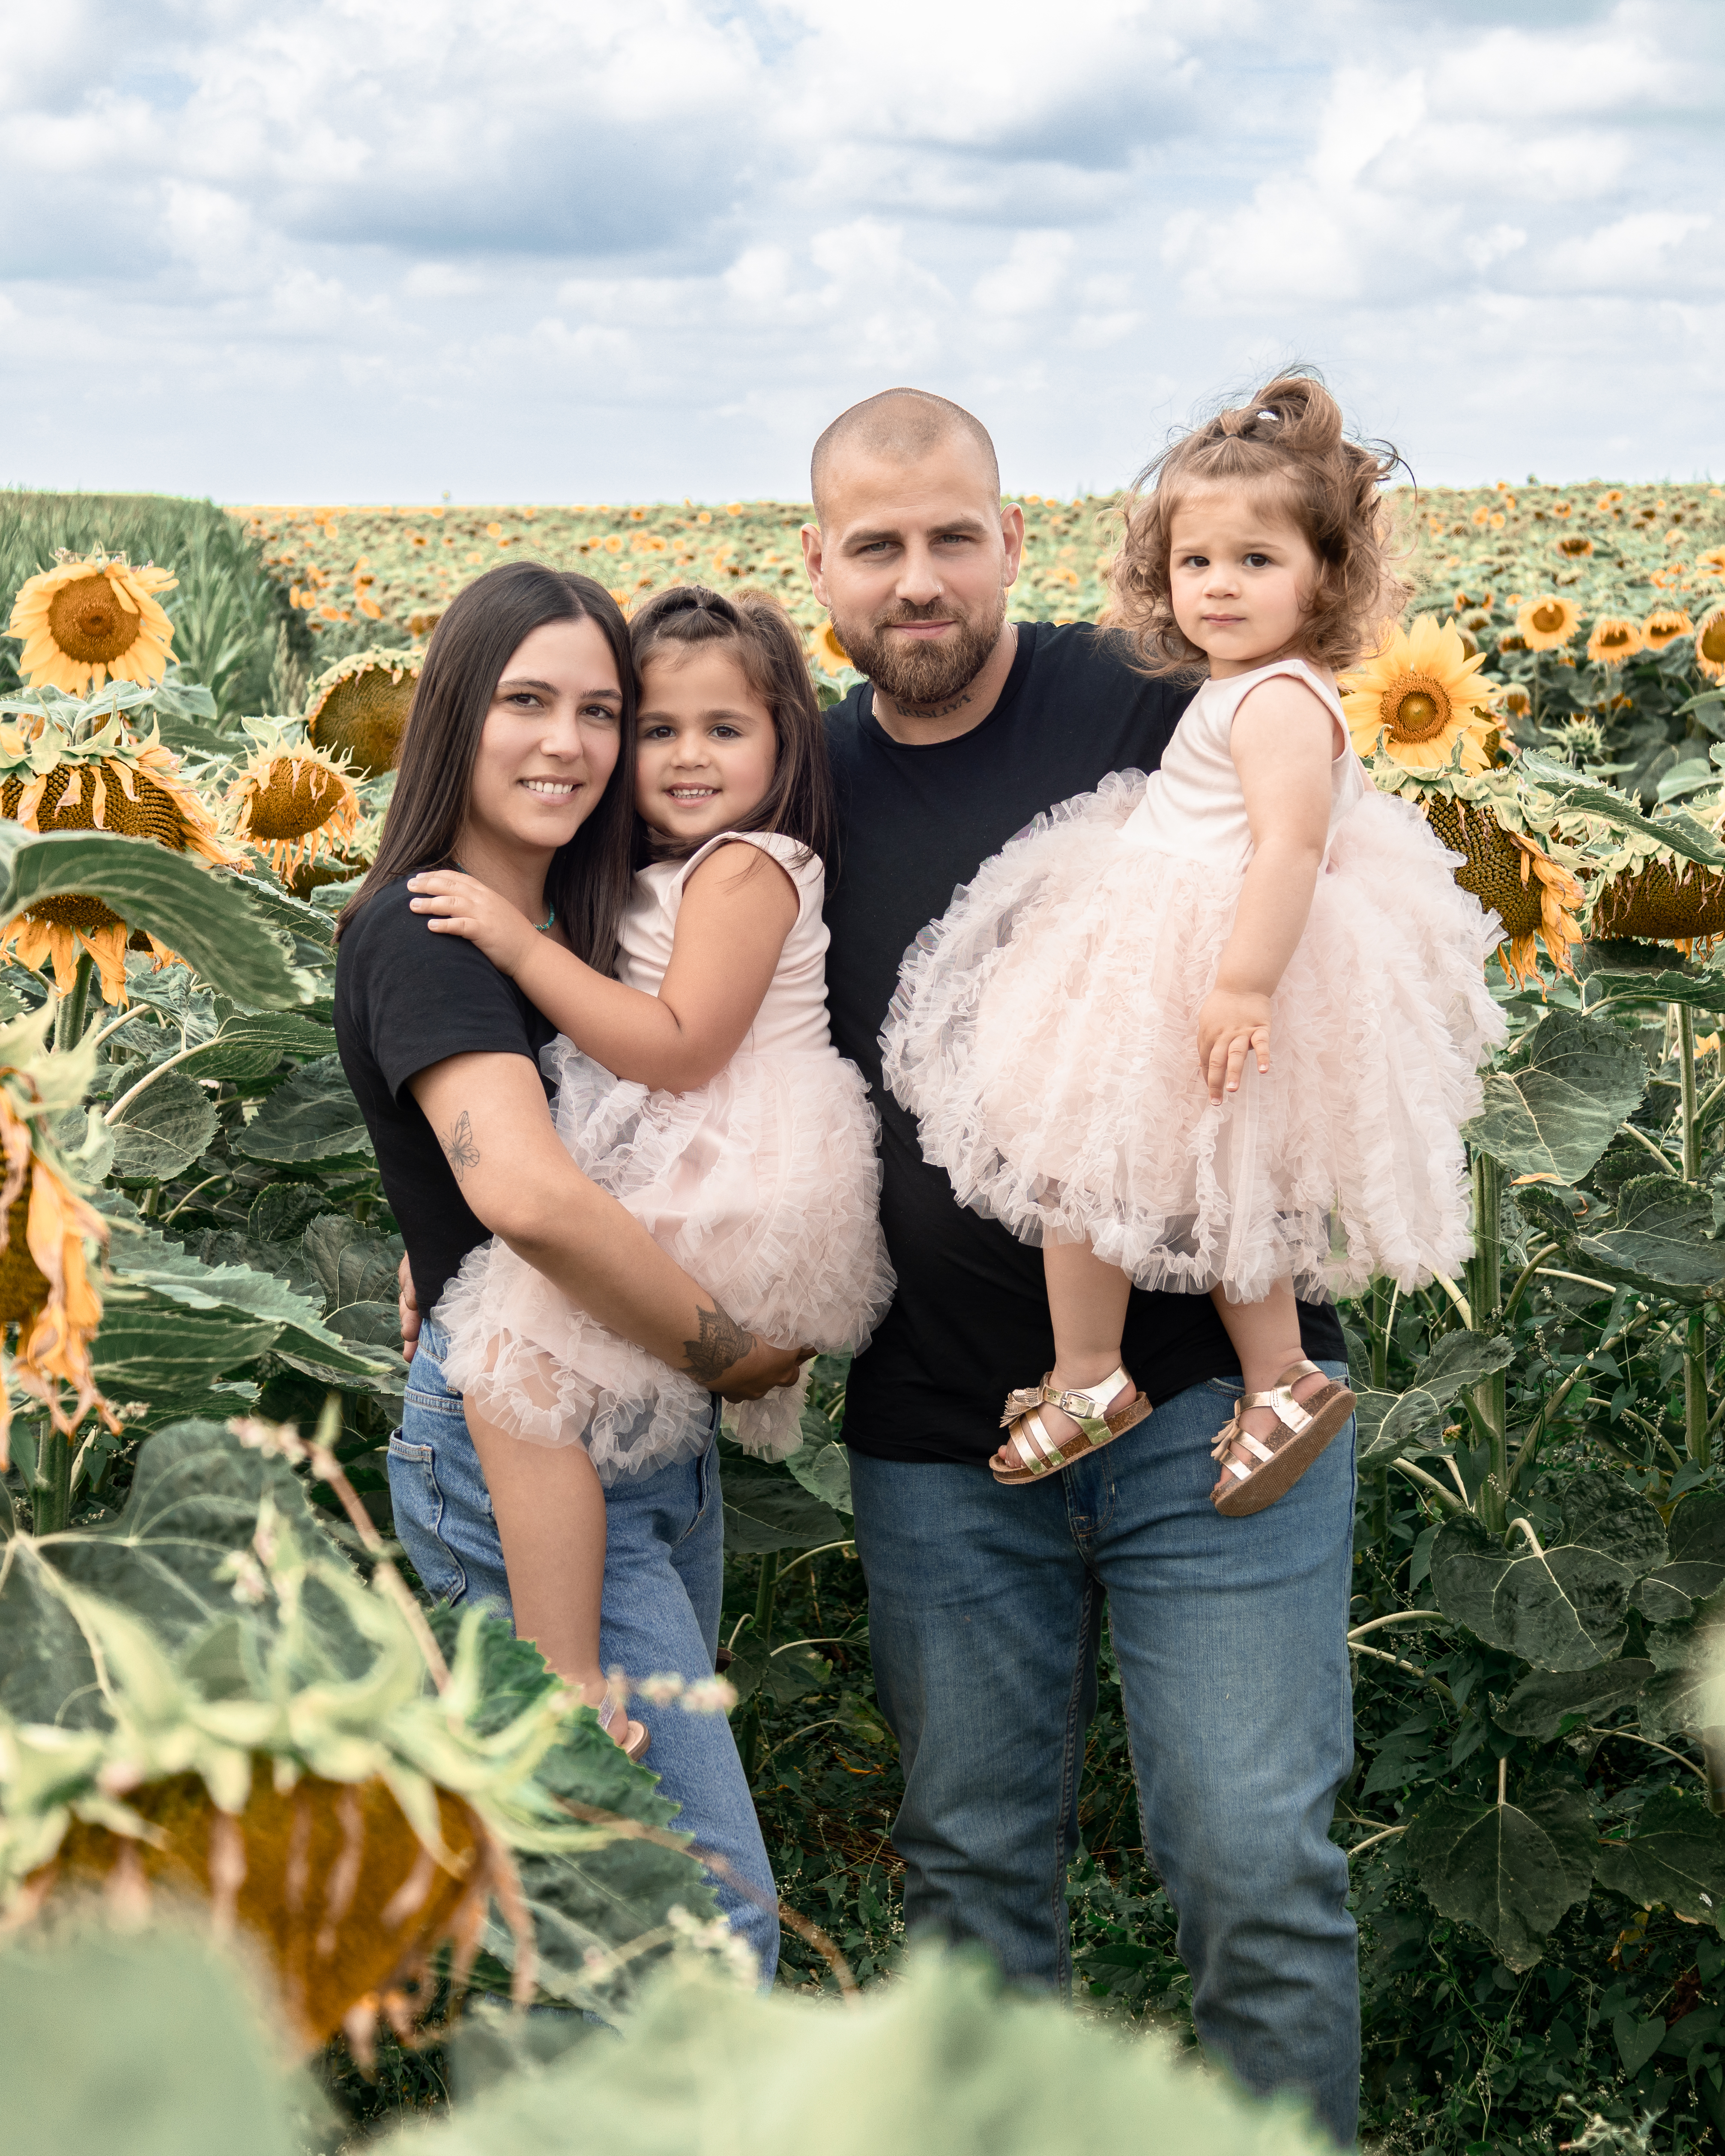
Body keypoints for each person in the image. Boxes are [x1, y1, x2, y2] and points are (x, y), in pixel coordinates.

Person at [801, 385, 1365, 2143]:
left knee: (1254, 1868)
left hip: (1214, 1416)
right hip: (936, 1434)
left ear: (1013, 544)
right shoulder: (793, 775)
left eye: (950, 536)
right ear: (816, 565)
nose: (917, 579)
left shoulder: (1155, 692)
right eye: (875, 545)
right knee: (970, 1884)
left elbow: (1310, 827)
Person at [880, 376, 1502, 1510]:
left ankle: (1126, 1374)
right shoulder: (1239, 690)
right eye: (1196, 561)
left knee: (1114, 1164)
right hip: (1162, 949)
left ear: (1324, 574)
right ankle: (1232, 1377)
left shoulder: (1275, 702)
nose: (1219, 586)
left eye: (1255, 562)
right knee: (1194, 1179)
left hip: (1200, 965)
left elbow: (1287, 851)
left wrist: (1241, 984)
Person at [335, 561, 803, 1978]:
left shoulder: (579, 934)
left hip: (630, 1428)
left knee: (606, 1890)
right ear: (453, 716)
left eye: (602, 710)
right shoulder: (436, 932)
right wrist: (732, 1350)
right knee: (700, 1915)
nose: (570, 743)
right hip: (524, 1438)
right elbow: (528, 1195)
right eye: (526, 700)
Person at [404, 584, 893, 1755]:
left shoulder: (744, 867)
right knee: (538, 1379)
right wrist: (430, 1245)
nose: (685, 757)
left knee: (515, 1371)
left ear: (785, 742)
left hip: (734, 1161)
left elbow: (679, 1049)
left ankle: (570, 1683)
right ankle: (591, 1673)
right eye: (658, 728)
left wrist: (517, 943)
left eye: (723, 730)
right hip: (702, 1158)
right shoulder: (660, 870)